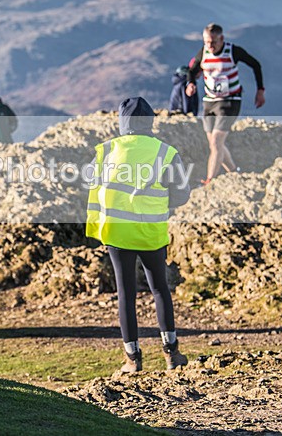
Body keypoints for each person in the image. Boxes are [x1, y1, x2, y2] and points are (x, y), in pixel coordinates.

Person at [85, 97, 191, 372]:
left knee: (126, 294)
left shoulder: (106, 150)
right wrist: (157, 203)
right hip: (151, 232)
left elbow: (92, 184)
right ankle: (172, 354)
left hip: (116, 232)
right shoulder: (165, 152)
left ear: (122, 122)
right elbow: (182, 194)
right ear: (150, 122)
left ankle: (132, 359)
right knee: (159, 289)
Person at [185, 23, 265, 184]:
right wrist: (190, 83)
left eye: (213, 42)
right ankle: (235, 172)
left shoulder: (233, 51)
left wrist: (260, 90)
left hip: (230, 100)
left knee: (216, 141)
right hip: (209, 101)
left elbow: (255, 64)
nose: (210, 45)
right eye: (207, 41)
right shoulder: (204, 51)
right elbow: (191, 70)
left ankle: (210, 180)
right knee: (214, 144)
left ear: (221, 38)